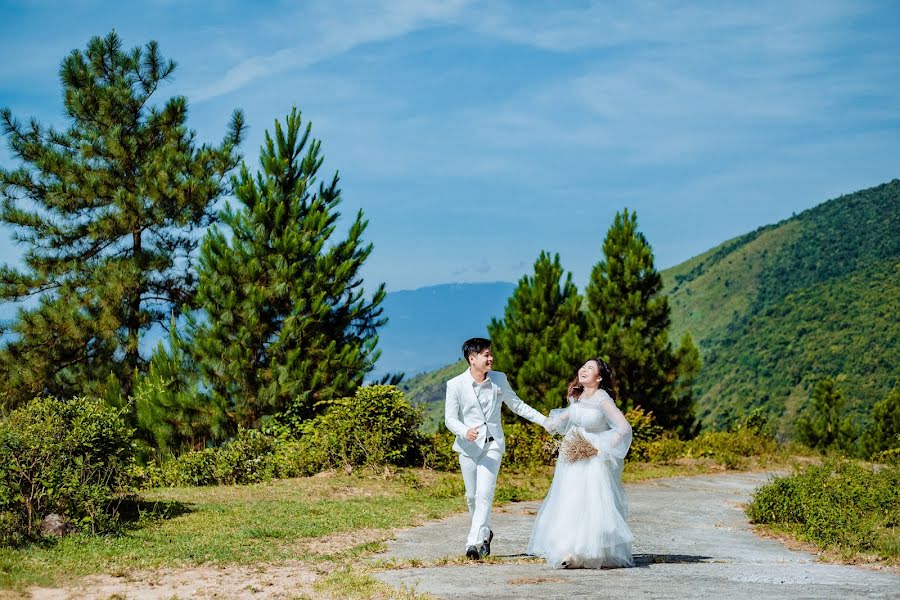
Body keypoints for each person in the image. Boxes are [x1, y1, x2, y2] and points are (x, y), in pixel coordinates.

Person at [445, 337, 550, 560]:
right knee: (472, 497)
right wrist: (465, 431)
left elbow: (518, 405)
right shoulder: (455, 385)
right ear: (472, 359)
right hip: (467, 446)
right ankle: (485, 533)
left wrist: (545, 421)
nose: (491, 358)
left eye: (491, 353)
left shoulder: (499, 379)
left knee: (485, 494)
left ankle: (472, 543)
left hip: (493, 445)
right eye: (486, 355)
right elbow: (449, 419)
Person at [527, 357, 634, 569]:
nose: (584, 370)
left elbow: (623, 429)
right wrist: (546, 422)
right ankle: (568, 551)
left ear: (599, 377)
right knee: (569, 500)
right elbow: (562, 419)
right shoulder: (578, 396)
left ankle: (587, 551)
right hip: (572, 455)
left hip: (593, 457)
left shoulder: (603, 399)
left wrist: (603, 448)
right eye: (583, 367)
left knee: (591, 504)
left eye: (590, 368)